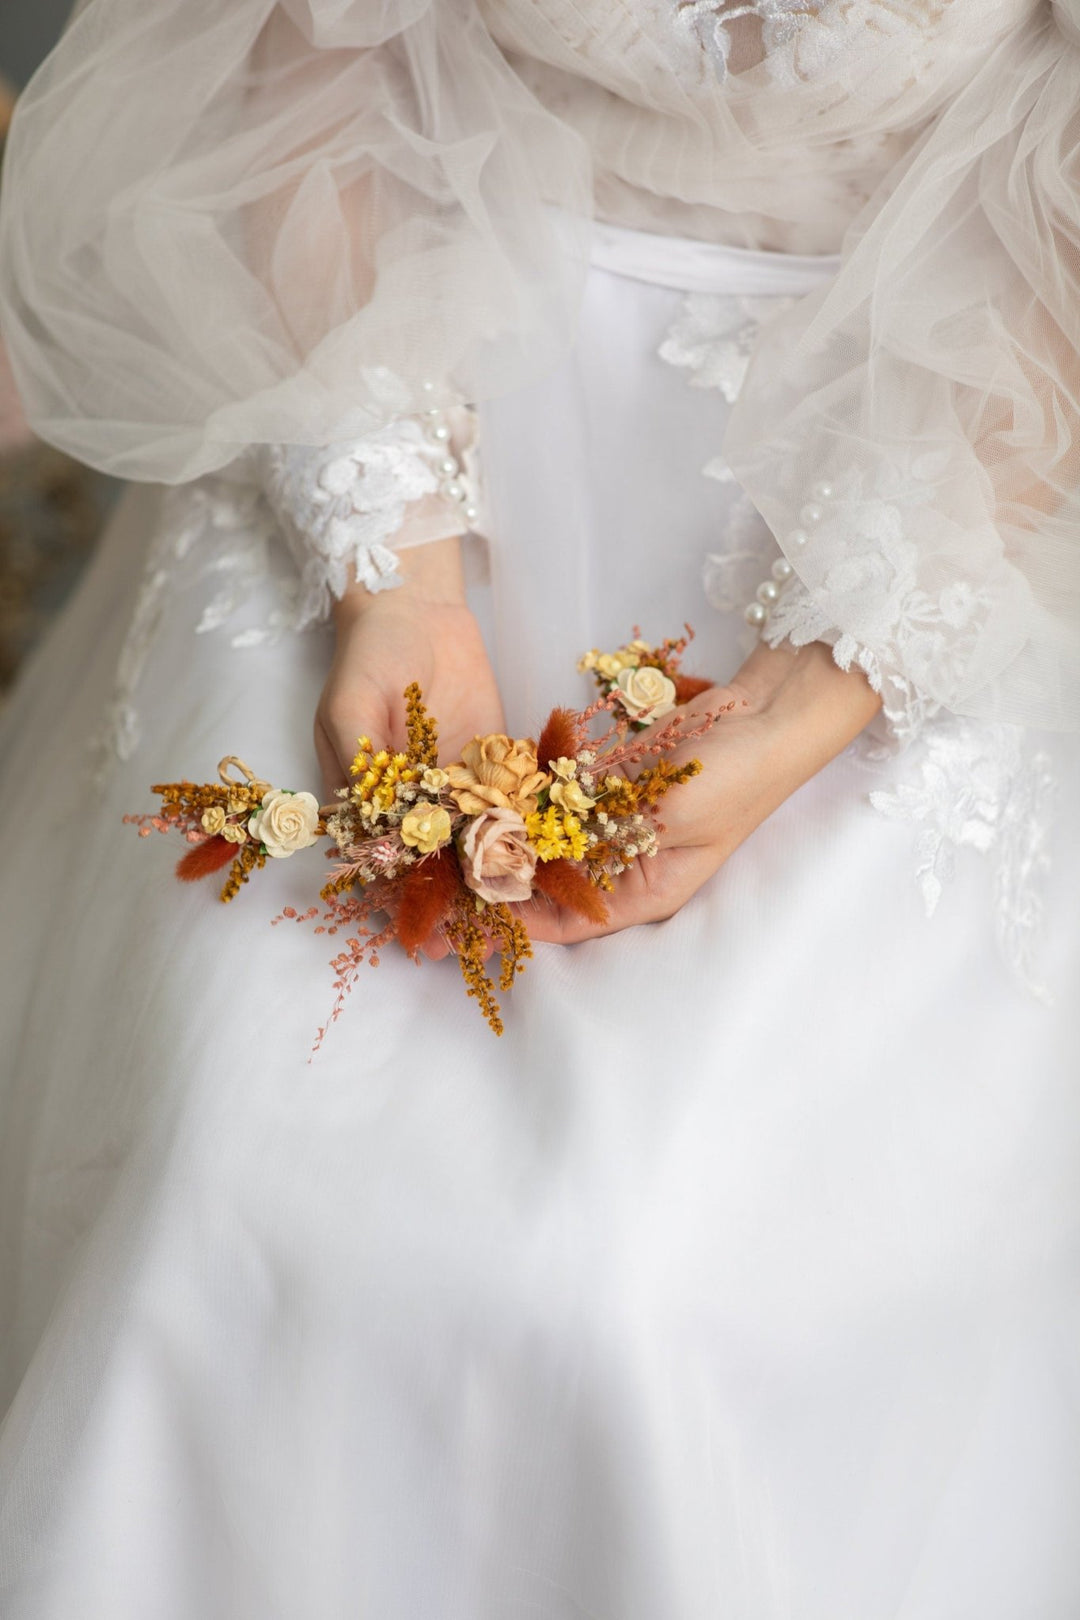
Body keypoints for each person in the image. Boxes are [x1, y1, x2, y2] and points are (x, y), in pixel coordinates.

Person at [0, 2, 1078, 1614]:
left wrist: (834, 672)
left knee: (644, 1288)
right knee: (236, 1171)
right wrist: (392, 573)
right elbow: (301, 53)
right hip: (395, 341)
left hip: (964, 435)